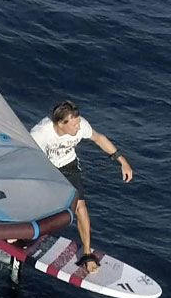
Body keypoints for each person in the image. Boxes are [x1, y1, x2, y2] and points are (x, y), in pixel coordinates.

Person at [29, 100, 132, 275]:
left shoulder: (80, 124)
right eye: (74, 124)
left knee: (80, 207)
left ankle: (86, 253)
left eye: (78, 122)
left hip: (69, 167)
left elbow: (99, 138)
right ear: (61, 123)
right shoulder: (40, 134)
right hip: (45, 168)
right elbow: (27, 158)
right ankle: (17, 228)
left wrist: (122, 161)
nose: (79, 126)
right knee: (39, 203)